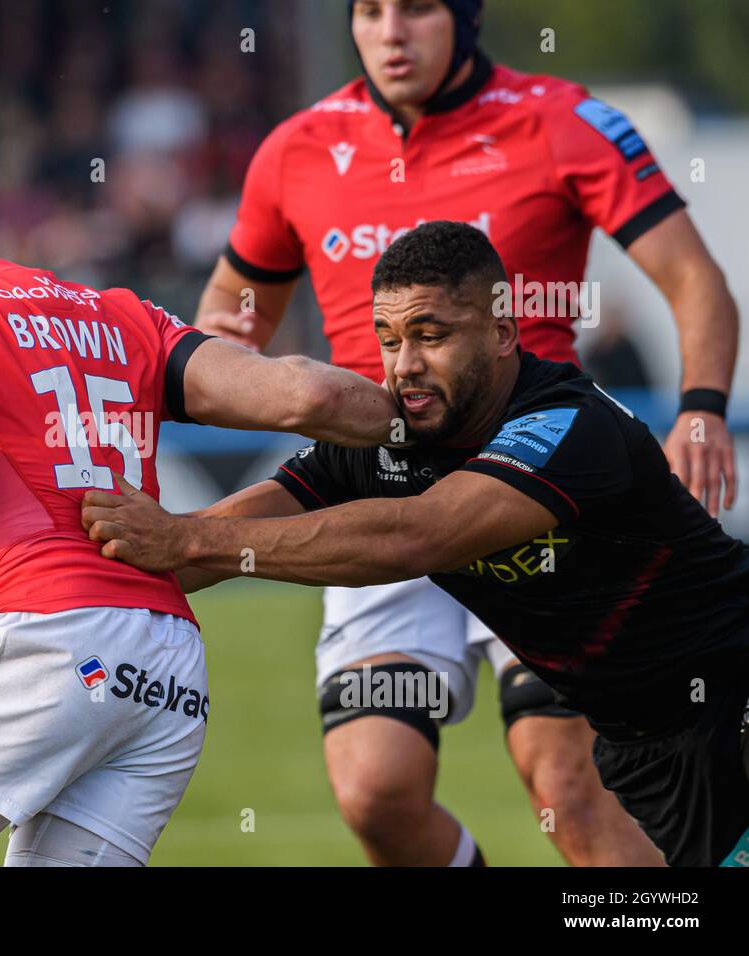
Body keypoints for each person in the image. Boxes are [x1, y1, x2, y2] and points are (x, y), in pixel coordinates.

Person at [194, 0, 739, 866]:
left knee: (568, 789)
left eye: (416, 9)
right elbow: (230, 320)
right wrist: (243, 369)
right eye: (369, 11)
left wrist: (703, 406)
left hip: (531, 498)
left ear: (468, 18)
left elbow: (693, 276)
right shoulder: (295, 147)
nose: (390, 33)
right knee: (375, 792)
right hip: (386, 483)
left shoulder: (564, 120)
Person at [0, 160, 398, 867]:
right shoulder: (123, 315)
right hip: (167, 669)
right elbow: (308, 397)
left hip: (48, 642)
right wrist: (437, 419)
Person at [84, 221, 749, 868]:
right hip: (653, 751)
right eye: (390, 338)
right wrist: (59, 569)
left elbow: (417, 536)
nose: (405, 366)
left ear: (501, 333)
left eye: (431, 336)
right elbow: (203, 542)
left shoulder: (567, 423)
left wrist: (182, 537)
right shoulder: (390, 440)